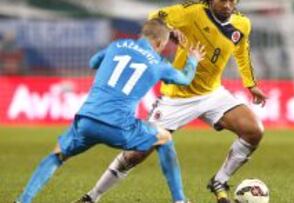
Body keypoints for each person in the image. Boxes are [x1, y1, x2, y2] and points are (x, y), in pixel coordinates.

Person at [77, 0, 268, 203]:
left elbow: (241, 51)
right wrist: (172, 29)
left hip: (212, 94)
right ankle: (91, 197)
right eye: (222, 0)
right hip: (177, 97)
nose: (228, 4)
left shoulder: (242, 23)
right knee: (136, 154)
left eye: (232, 0)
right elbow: (154, 18)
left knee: (254, 130)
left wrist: (250, 83)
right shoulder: (191, 11)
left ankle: (219, 181)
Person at [14, 19, 205, 203]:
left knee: (57, 154)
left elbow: (92, 63)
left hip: (87, 120)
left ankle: (23, 200)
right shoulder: (159, 64)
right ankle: (179, 200)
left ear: (142, 35)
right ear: (158, 42)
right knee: (164, 138)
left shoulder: (117, 45)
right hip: (120, 127)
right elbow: (186, 79)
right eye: (162, 45)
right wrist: (193, 60)